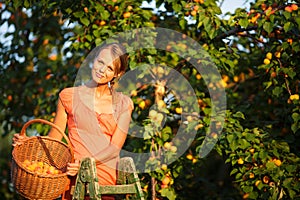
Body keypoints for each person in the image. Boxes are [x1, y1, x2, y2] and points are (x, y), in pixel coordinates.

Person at [13, 43, 133, 200]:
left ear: (118, 73)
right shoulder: (68, 96)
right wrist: (29, 142)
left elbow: (114, 148)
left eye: (110, 68)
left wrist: (86, 163)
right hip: (72, 171)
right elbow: (54, 138)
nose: (102, 70)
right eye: (100, 62)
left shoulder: (124, 103)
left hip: (102, 172)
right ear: (94, 59)